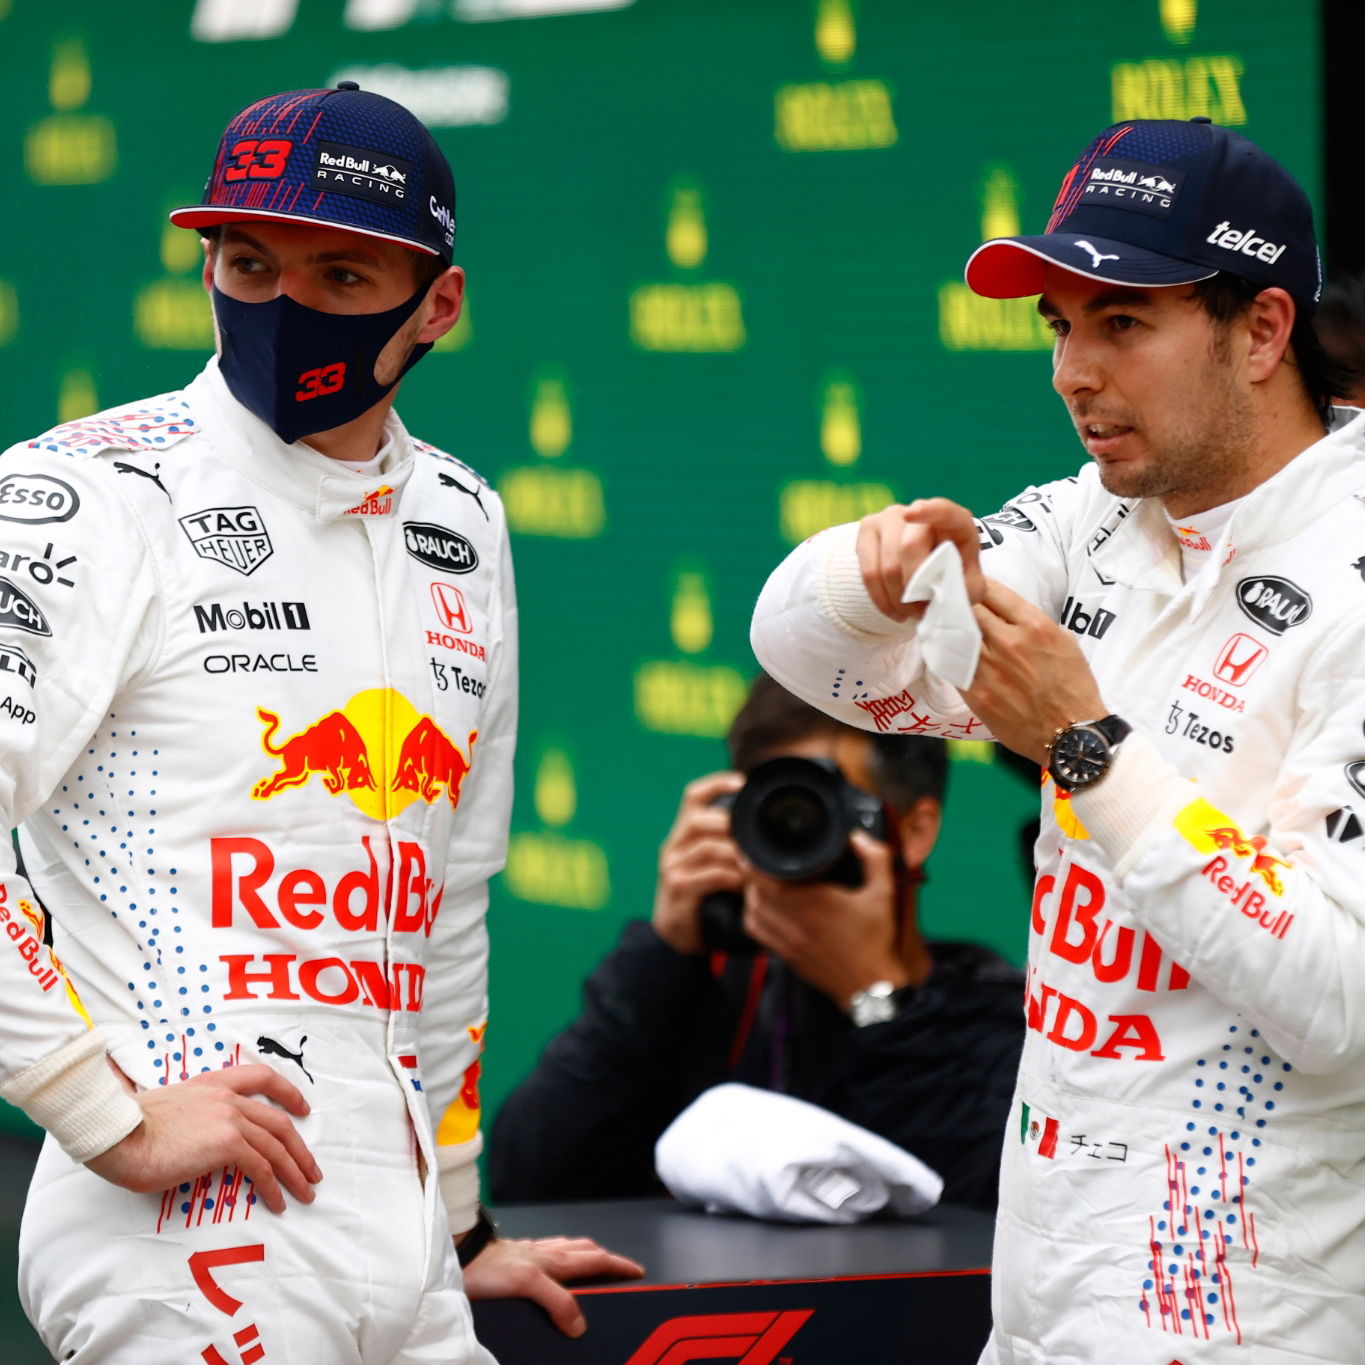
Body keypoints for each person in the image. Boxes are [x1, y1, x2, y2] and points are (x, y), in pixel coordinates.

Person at [0, 84, 638, 1364]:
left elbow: (447, 902)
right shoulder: (81, 491)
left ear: (437, 305)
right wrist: (103, 1115)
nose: (282, 308)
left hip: (398, 1241)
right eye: (247, 262)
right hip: (178, 1231)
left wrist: (458, 1227)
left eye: (342, 276)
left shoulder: (464, 519)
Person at [749, 116, 1365, 1363]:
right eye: (1061, 326)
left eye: (1122, 324)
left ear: (1261, 332)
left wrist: (1086, 749)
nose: (1072, 372)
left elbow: (1342, 997)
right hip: (1042, 1296)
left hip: (1247, 1313)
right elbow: (801, 652)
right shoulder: (1098, 515)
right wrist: (868, 575)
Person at [488, 672, 1025, 1214]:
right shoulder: (696, 993)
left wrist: (873, 1000)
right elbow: (527, 1185)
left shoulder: (1002, 1014)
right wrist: (661, 954)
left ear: (913, 832)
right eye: (773, 802)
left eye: (826, 802)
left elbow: (988, 1213)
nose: (795, 828)